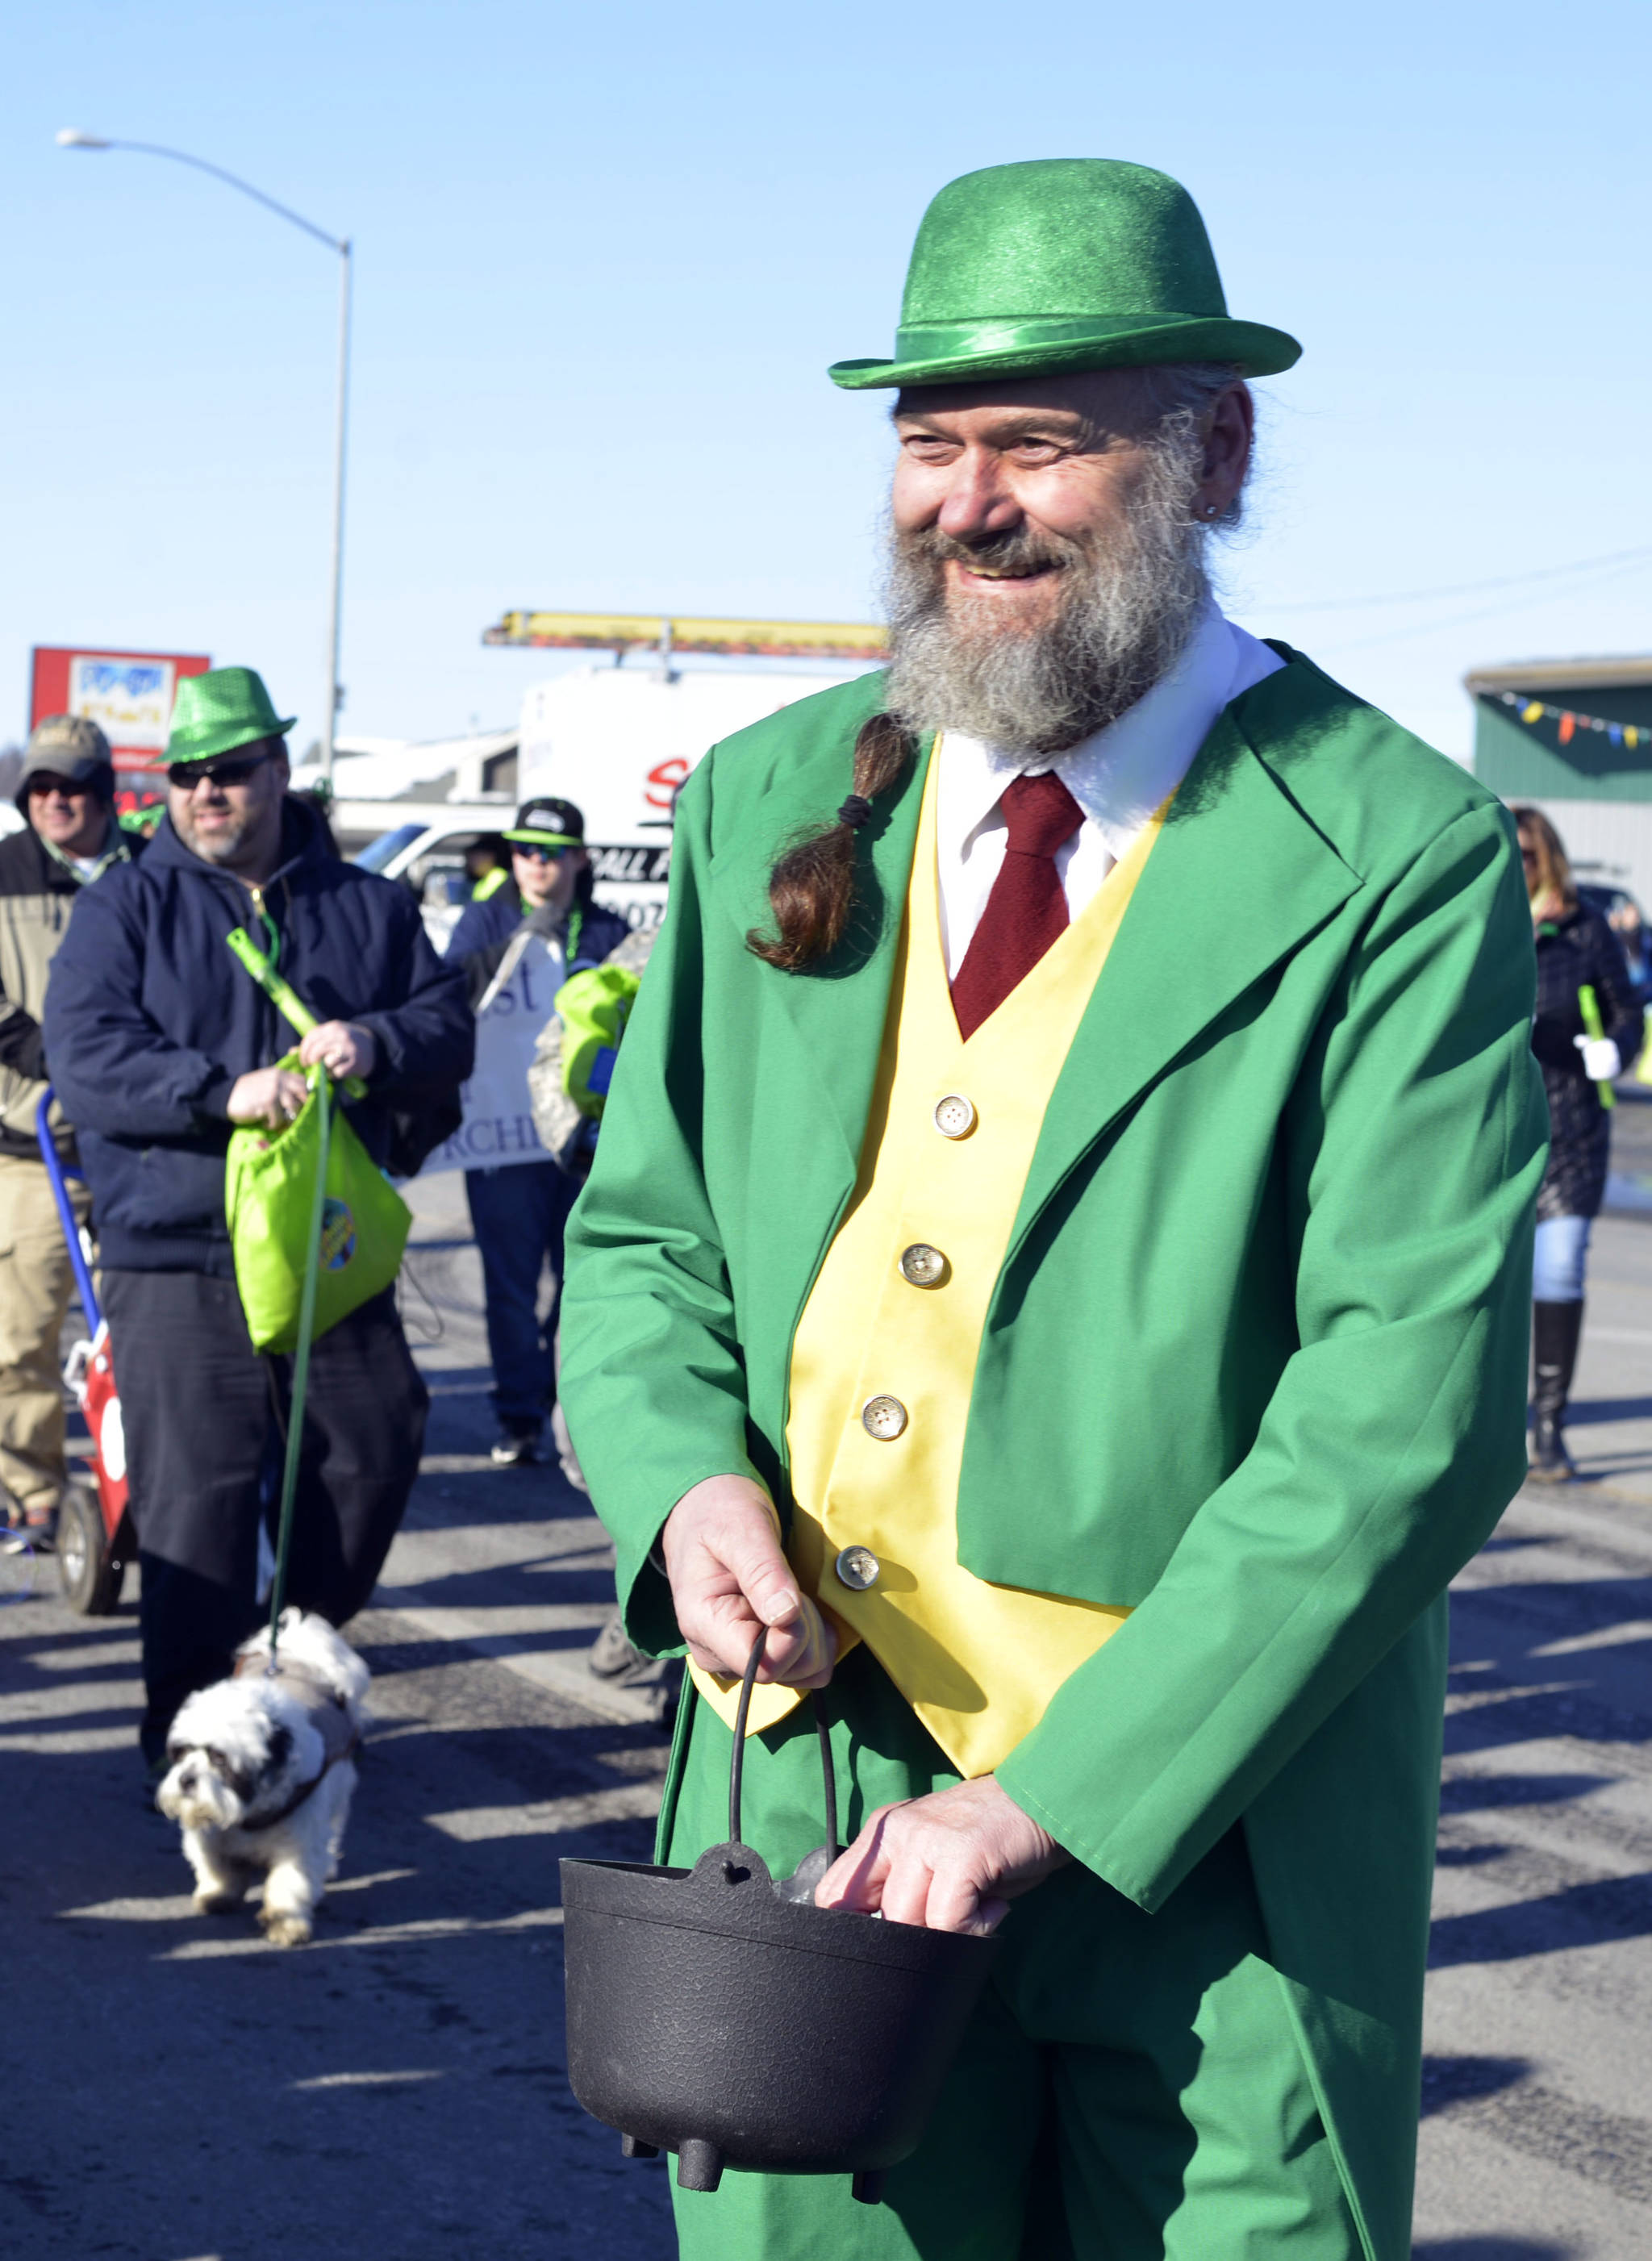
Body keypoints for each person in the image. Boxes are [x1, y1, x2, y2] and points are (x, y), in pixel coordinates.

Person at [559, 159, 1547, 2261]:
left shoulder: (1396, 852)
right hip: (805, 1814)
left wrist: (1047, 1801)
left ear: (1216, 451)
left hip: (1217, 1846)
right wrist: (680, 1491)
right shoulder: (773, 796)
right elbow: (640, 1247)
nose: (968, 502)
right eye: (930, 444)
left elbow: (1403, 1415)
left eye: (1041, 441)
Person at [44, 666, 473, 1783]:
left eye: (229, 771)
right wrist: (216, 1089)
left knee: (372, 1452)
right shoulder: (125, 903)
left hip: (325, 1247)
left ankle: (284, 1671)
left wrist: (376, 1041)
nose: (206, 793)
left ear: (278, 770)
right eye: (186, 775)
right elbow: (84, 1055)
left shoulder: (367, 905)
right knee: (200, 1501)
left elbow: (445, 1027)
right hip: (178, 1250)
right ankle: (194, 1750)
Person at [448, 797, 627, 1466]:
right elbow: (449, 994)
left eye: (549, 852)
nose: (534, 865)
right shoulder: (484, 917)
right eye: (523, 851)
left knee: (581, 1285)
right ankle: (518, 1417)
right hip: (503, 1142)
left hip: (586, 1145)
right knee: (509, 1286)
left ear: (579, 858)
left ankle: (567, 1411)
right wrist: (526, 940)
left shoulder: (609, 930)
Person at [0, 716, 139, 1539]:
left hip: (141, 1140)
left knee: (152, 1328)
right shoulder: (3, 871)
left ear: (104, 793)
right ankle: (32, 1491)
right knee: (22, 1331)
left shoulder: (151, 871)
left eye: (74, 787)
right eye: (41, 787)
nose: (57, 801)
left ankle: (160, 1475)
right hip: (33, 1138)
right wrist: (62, 1054)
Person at [1513, 805, 1641, 1479]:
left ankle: (1551, 1427)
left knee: (1558, 1269)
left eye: (1527, 854)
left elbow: (1628, 1012)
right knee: (1493, 1286)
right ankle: (1491, 1426)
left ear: (1550, 858)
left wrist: (1613, 1051)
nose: (1517, 863)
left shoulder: (1585, 927)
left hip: (1572, 1129)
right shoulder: (1482, 918)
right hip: (1496, 1133)